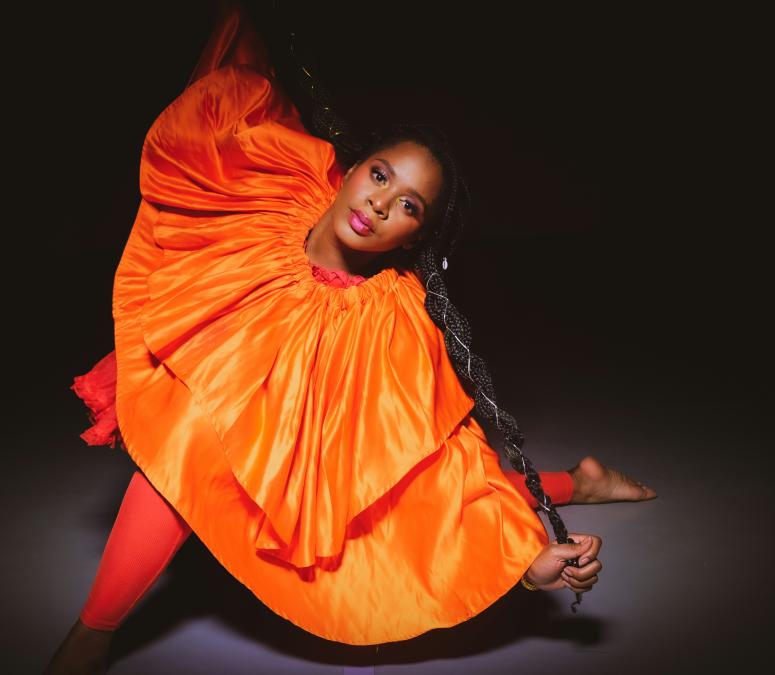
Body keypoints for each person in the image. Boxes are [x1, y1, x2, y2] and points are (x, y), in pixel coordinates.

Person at [45, 3, 655, 672]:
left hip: (323, 452)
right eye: (380, 175)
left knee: (410, 500)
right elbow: (225, 117)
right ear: (352, 166)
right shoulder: (276, 193)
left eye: (409, 206)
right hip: (239, 399)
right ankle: (96, 627)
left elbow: (447, 465)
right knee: (187, 431)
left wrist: (527, 562)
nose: (380, 204)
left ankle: (573, 481)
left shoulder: (396, 317)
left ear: (414, 236)